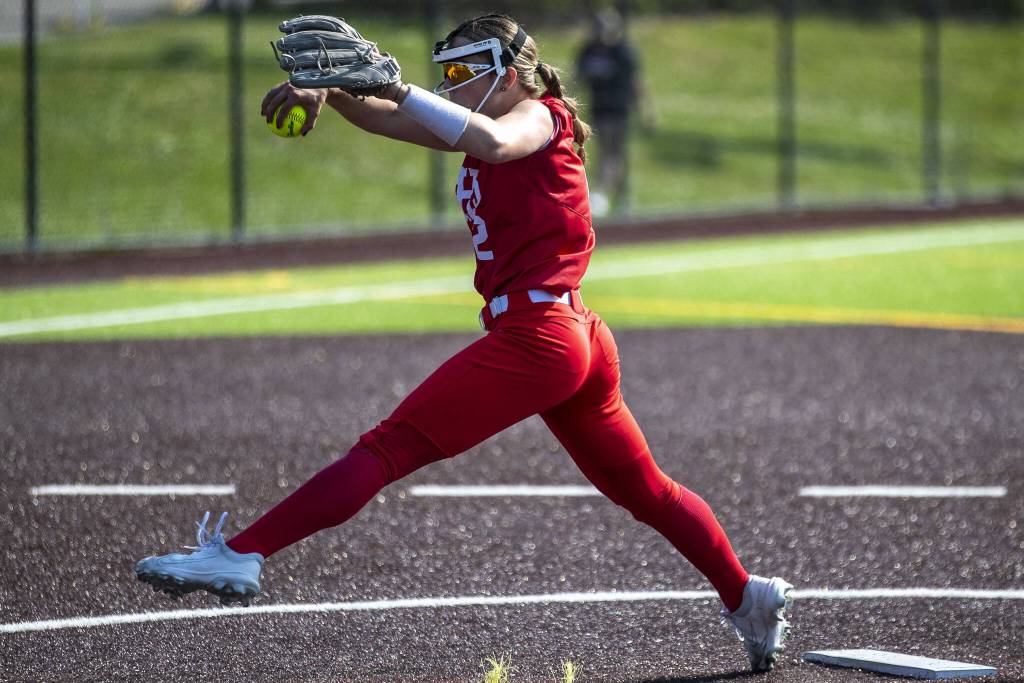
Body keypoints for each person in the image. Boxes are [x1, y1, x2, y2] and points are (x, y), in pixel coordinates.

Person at [135, 13, 792, 673]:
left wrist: (395, 85)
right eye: (442, 74)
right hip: (571, 336)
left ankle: (242, 552)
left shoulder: (539, 113)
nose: (448, 86)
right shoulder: (483, 123)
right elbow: (387, 118)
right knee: (647, 490)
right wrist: (327, 89)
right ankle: (746, 594)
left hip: (543, 335)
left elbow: (496, 140)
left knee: (387, 448)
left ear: (507, 73)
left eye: (460, 73)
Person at [574, 7, 651, 217]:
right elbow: (577, 78)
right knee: (603, 153)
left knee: (615, 153)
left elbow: (637, 82)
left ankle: (607, 196)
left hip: (619, 109)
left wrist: (646, 112)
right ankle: (610, 196)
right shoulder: (588, 50)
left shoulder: (623, 52)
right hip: (598, 108)